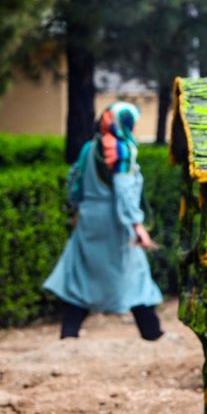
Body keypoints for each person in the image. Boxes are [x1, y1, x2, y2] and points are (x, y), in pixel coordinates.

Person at [43, 102, 164, 341]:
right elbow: (124, 190)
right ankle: (151, 333)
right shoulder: (123, 150)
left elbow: (74, 180)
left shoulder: (89, 148)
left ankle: (69, 333)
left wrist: (77, 209)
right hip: (116, 224)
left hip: (89, 220)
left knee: (80, 277)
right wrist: (136, 225)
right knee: (136, 276)